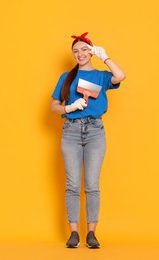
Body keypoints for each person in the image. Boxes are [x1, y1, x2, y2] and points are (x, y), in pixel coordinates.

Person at [50, 32, 126, 248]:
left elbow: (120, 76)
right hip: (71, 131)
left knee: (92, 184)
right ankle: (74, 234)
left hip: (95, 131)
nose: (80, 54)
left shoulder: (101, 76)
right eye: (76, 51)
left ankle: (91, 234)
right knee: (72, 184)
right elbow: (53, 106)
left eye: (84, 49)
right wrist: (69, 107)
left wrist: (106, 58)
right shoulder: (66, 77)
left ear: (91, 51)